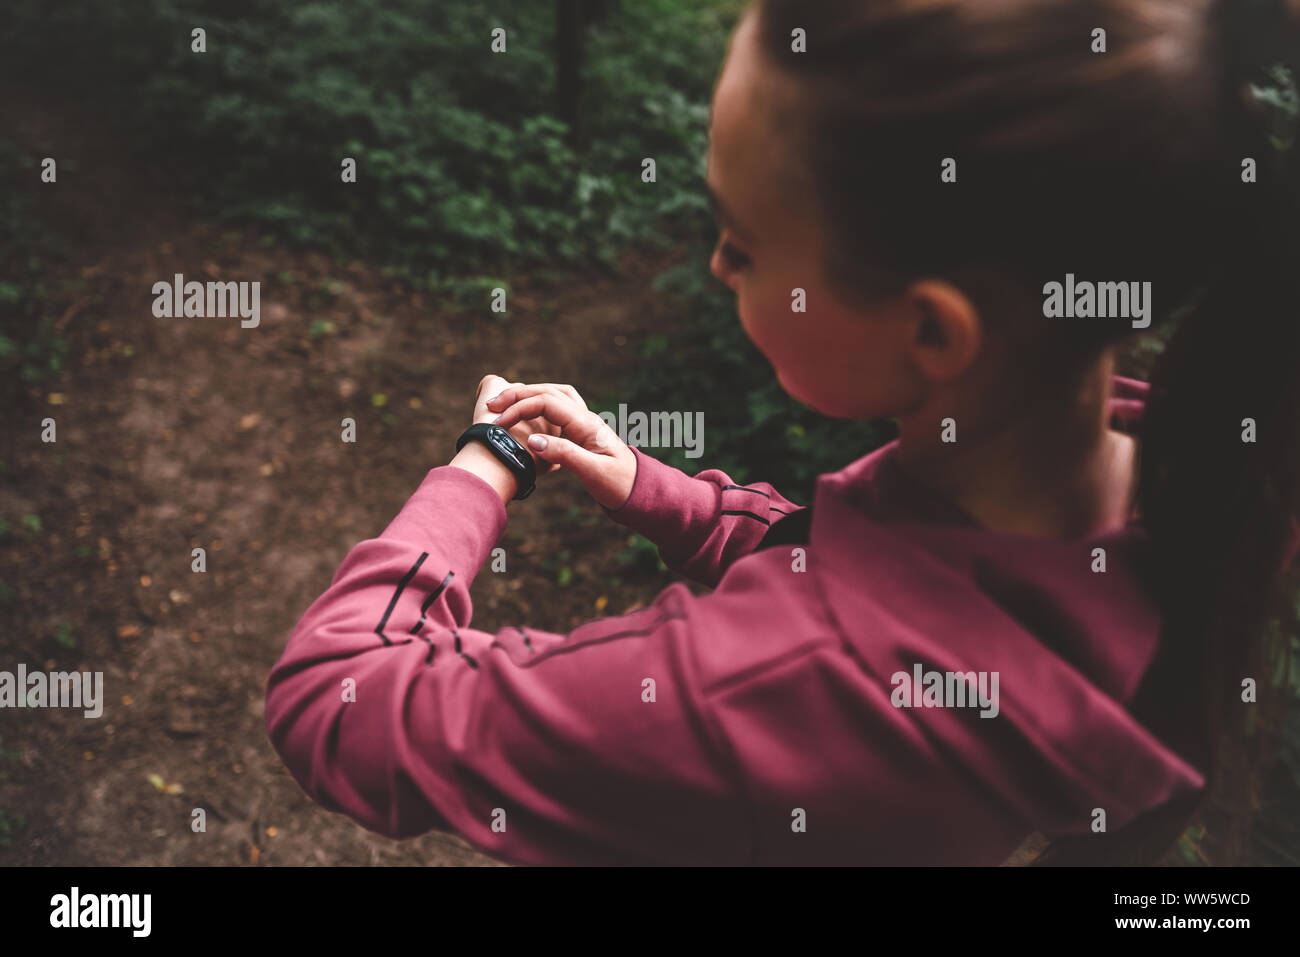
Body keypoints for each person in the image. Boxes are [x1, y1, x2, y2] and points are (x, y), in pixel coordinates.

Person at [265, 0, 1300, 865]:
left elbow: (337, 697)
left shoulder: (771, 688)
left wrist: (481, 462)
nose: (717, 268)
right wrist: (663, 494)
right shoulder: (1173, 458)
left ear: (932, 328)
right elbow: (890, 573)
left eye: (743, 242)